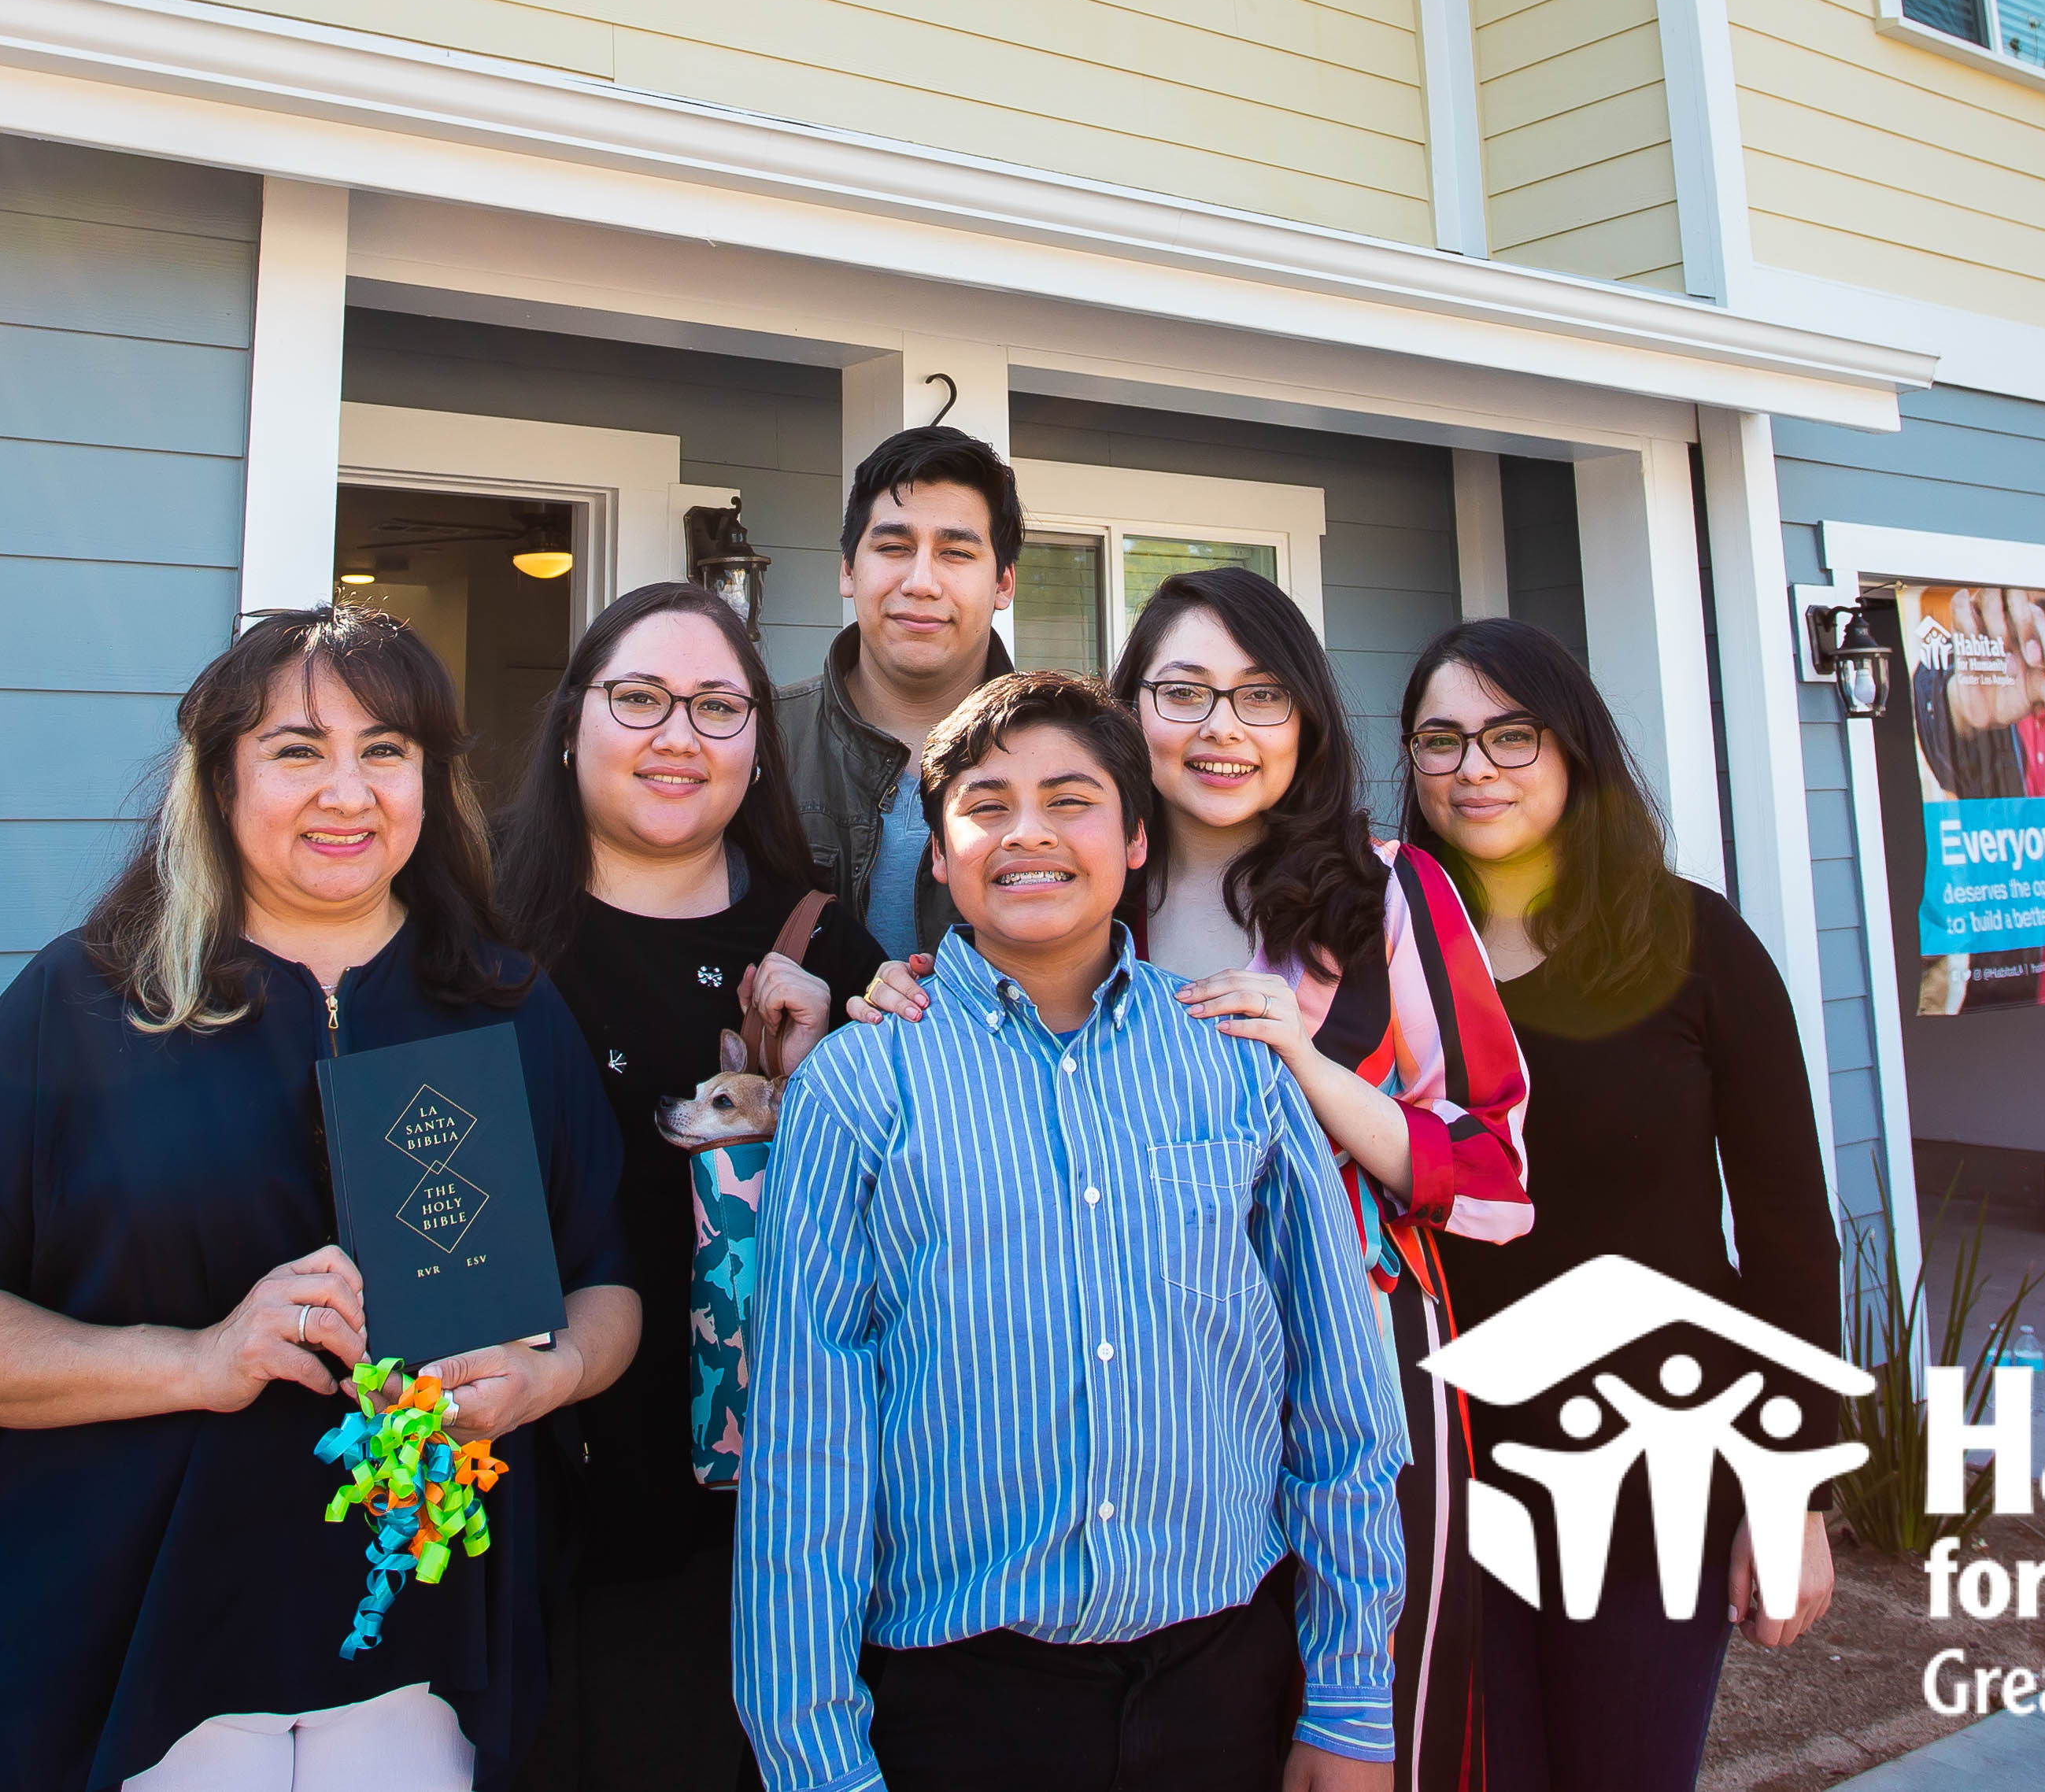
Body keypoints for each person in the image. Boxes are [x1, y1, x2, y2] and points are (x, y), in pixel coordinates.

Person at [0, 607, 638, 1792]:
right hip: (135, 1657)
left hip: (418, 1660)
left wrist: (552, 1375)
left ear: (430, 781)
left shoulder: (504, 1004)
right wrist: (199, 1356)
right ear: (218, 777)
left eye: (385, 749)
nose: (347, 791)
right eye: (297, 748)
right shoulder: (84, 1004)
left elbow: (603, 1282)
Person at [847, 568, 1532, 1791]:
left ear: (1306, 718)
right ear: (1130, 716)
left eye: (1259, 693)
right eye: (1182, 691)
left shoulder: (1388, 892)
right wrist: (894, 992)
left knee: (1369, 1720)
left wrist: (1303, 1067)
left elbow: (1493, 1169)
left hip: (1361, 1360)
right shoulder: (1078, 893)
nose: (1221, 727)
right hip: (1135, 1390)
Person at [738, 671, 1406, 1792]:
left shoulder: (1235, 1066)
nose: (1028, 831)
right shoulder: (860, 1087)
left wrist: (1347, 1696)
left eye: (1071, 796)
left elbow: (1339, 1401)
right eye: (986, 804)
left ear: (1137, 839)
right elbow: (808, 1453)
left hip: (1223, 1675)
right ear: (938, 856)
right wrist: (816, 1764)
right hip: (959, 1701)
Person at [1404, 620, 1839, 1792]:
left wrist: (1789, 1489)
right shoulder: (1388, 962)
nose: (1471, 766)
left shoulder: (1694, 942)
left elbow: (1790, 1235)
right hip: (1443, 1472)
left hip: (1649, 1468)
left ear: (1574, 751)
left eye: (1508, 733)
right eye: (1438, 739)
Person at [490, 581, 887, 1792]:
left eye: (718, 705)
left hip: (793, 1516)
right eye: (640, 698)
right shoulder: (476, 941)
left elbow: (932, 1215)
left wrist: (822, 1075)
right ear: (573, 723)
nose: (679, 734)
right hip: (537, 1497)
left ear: (759, 740)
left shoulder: (826, 947)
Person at [776, 426, 1018, 962]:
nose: (921, 582)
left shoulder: (1074, 756)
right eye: (893, 547)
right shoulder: (759, 742)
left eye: (956, 552)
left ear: (1003, 582)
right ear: (847, 570)